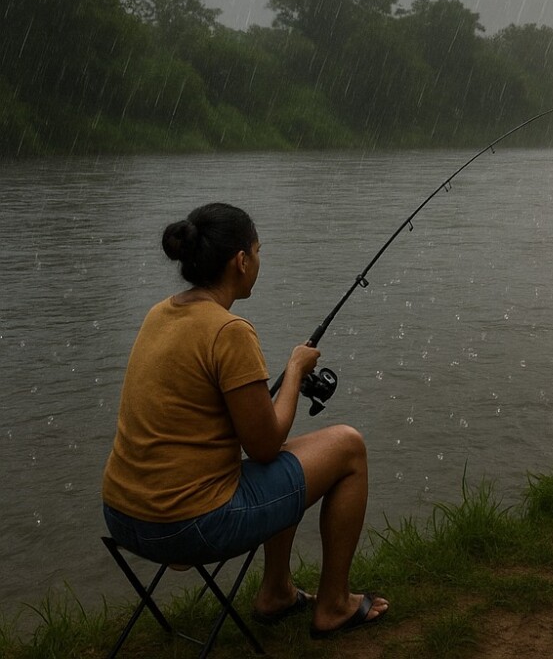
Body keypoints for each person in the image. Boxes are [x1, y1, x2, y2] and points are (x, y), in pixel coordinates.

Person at [102, 202, 388, 638]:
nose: (258, 260)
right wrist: (294, 370)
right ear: (241, 260)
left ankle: (277, 591)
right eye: (258, 251)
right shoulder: (229, 331)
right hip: (184, 525)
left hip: (124, 517)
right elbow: (265, 445)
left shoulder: (159, 314)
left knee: (290, 464)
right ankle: (333, 605)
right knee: (348, 447)